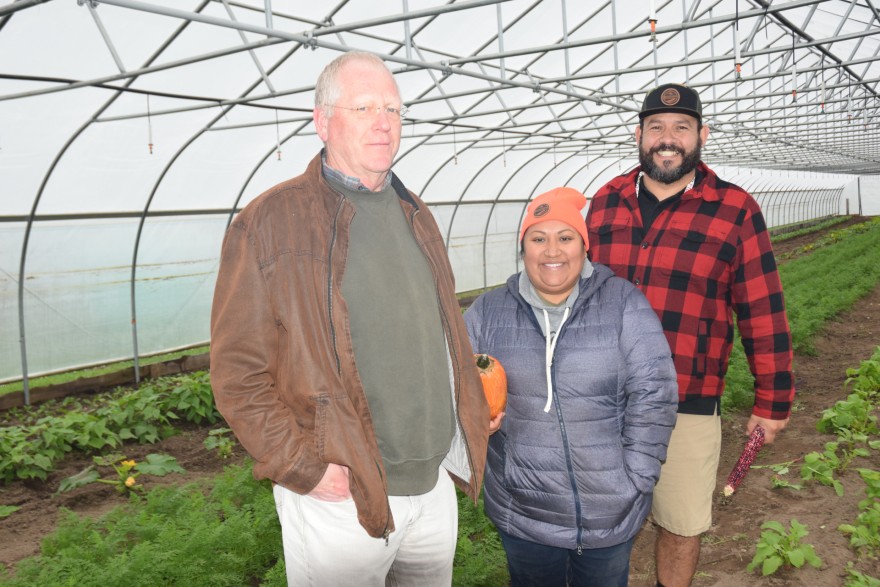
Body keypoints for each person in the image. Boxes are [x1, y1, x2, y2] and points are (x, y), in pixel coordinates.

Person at [209, 51, 495, 587]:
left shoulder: (416, 213)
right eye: (363, 107)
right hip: (341, 491)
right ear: (322, 120)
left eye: (393, 109)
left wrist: (469, 411)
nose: (384, 123)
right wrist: (305, 469)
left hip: (431, 486)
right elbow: (236, 372)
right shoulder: (269, 222)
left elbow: (441, 333)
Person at [586, 82, 796, 587]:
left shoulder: (734, 209)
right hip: (602, 397)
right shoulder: (604, 203)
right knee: (597, 521)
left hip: (688, 399)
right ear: (638, 134)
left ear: (701, 135)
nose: (668, 138)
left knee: (681, 524)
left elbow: (762, 309)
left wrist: (773, 400)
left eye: (681, 128)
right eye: (656, 127)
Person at [464, 187, 678, 587]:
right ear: (522, 247)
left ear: (584, 247)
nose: (552, 251)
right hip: (524, 511)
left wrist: (636, 479)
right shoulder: (487, 313)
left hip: (608, 514)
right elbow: (453, 386)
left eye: (566, 238)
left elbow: (655, 393)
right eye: (538, 238)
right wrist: (471, 421)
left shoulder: (622, 304)